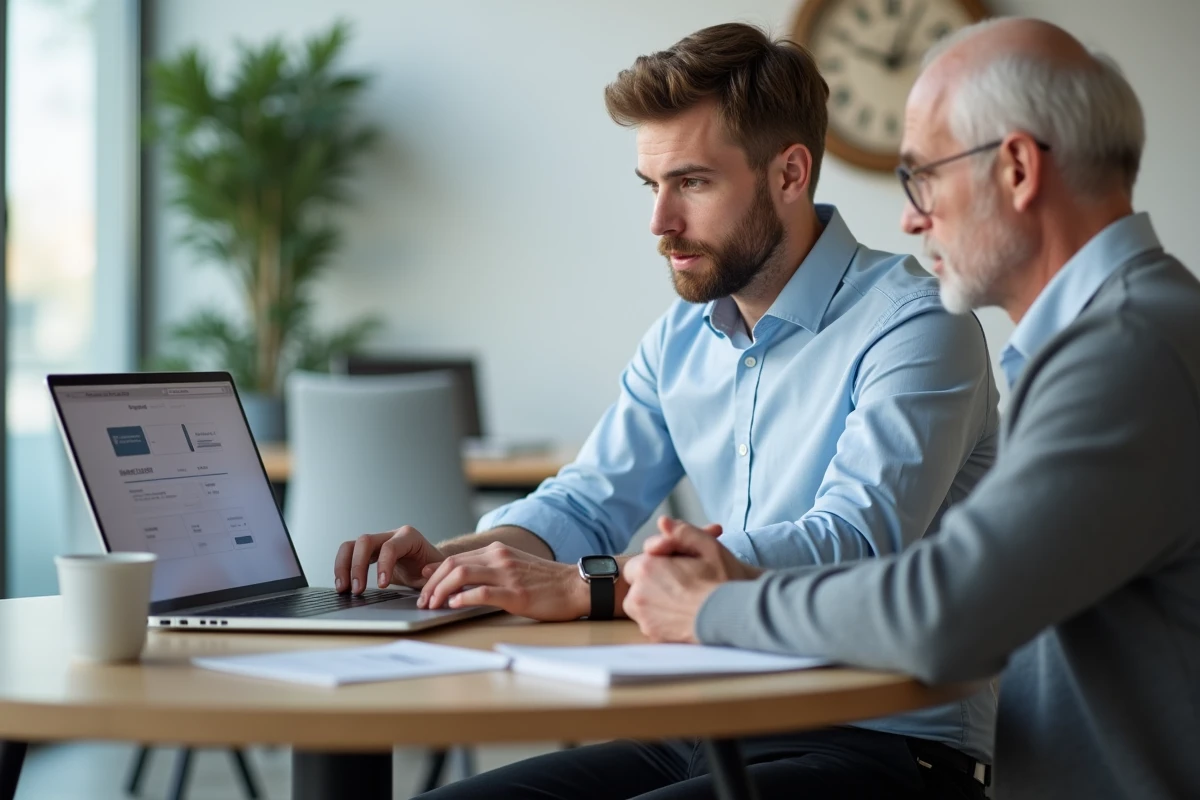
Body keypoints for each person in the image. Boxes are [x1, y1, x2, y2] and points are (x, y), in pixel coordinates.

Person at [344, 22, 999, 798]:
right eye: (650, 186)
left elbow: (854, 541)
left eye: (691, 182)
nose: (660, 224)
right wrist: (462, 565)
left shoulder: (919, 324)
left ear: (790, 173)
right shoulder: (683, 336)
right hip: (706, 722)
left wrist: (592, 585)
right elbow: (588, 500)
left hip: (875, 744)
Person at [623, 17, 1200, 800]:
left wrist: (716, 605)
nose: (909, 217)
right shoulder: (1124, 330)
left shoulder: (1126, 349)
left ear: (1018, 170)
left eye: (922, 176)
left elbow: (946, 608)